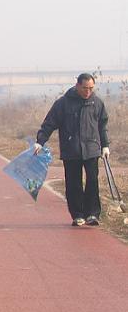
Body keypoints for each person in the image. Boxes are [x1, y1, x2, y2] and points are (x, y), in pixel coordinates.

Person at [34, 73, 110, 226]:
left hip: (92, 148)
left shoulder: (97, 103)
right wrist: (40, 142)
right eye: (84, 88)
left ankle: (92, 214)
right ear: (77, 86)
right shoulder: (63, 103)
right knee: (73, 183)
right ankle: (77, 214)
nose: (88, 92)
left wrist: (105, 145)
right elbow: (49, 123)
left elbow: (102, 126)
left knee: (92, 181)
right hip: (71, 149)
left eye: (91, 88)